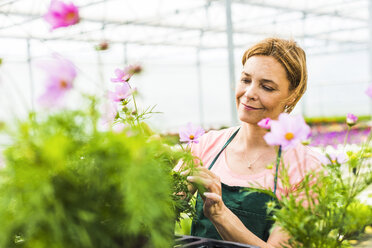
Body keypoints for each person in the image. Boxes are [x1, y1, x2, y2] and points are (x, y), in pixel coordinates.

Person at [178, 37, 322, 247]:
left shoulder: (305, 169)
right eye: (246, 80)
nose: (249, 94)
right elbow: (160, 210)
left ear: (291, 96)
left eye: (267, 87)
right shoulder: (205, 145)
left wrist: (220, 215)